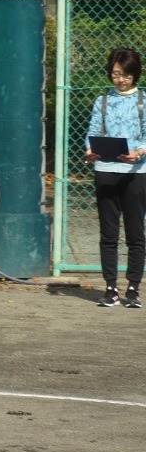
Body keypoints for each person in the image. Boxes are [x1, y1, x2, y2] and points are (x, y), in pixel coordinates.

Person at [84, 47, 146, 308]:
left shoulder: (143, 100)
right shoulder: (103, 101)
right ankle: (110, 288)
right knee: (108, 234)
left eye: (126, 75)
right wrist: (90, 150)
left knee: (135, 233)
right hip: (106, 171)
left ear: (135, 74)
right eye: (116, 74)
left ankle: (133, 288)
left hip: (137, 173)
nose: (121, 80)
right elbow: (91, 131)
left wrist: (140, 151)